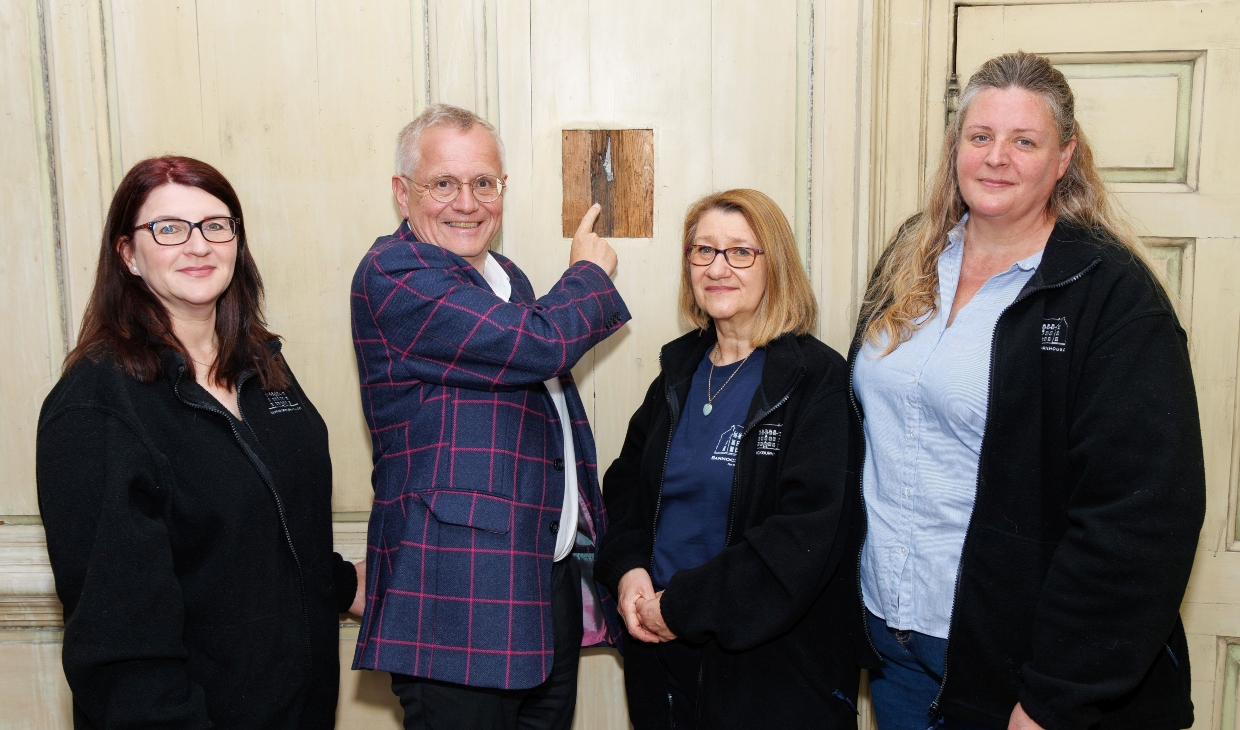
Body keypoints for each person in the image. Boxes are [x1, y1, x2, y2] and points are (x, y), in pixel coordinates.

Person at [851, 52, 1205, 730]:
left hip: (1019, 664)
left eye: (1025, 141)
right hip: (893, 640)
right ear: (956, 146)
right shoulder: (909, 258)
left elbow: (1141, 519)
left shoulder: (1111, 296)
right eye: (980, 136)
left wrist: (1055, 696)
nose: (996, 158)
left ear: (1064, 156)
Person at [37, 156, 362, 729]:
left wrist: (341, 582)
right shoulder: (96, 408)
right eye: (169, 228)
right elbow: (121, 649)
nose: (198, 245)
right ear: (127, 254)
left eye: (216, 225)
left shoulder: (262, 365)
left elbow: (250, 527)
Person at [349, 103, 629, 730]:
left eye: (483, 182)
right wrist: (589, 274)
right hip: (456, 593)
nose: (467, 203)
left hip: (542, 580)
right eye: (443, 183)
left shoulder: (509, 278)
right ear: (402, 193)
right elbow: (539, 345)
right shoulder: (395, 272)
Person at [595, 189, 861, 729]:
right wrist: (627, 572)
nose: (718, 268)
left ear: (775, 266)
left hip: (770, 671)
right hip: (659, 656)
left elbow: (804, 538)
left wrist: (683, 607)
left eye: (740, 252)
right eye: (704, 250)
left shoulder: (815, 381)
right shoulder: (677, 373)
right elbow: (625, 491)